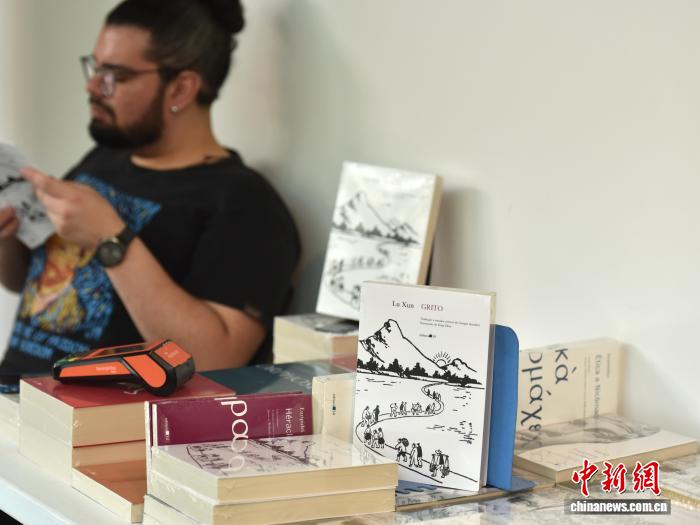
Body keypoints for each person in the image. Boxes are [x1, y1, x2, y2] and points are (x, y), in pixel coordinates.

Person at [0, 0, 299, 374]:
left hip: (96, 411)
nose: (92, 86)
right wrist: (7, 238)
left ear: (181, 90)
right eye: (95, 67)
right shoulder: (105, 158)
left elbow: (214, 360)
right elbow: (25, 282)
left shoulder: (245, 204)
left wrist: (110, 239)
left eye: (115, 75)